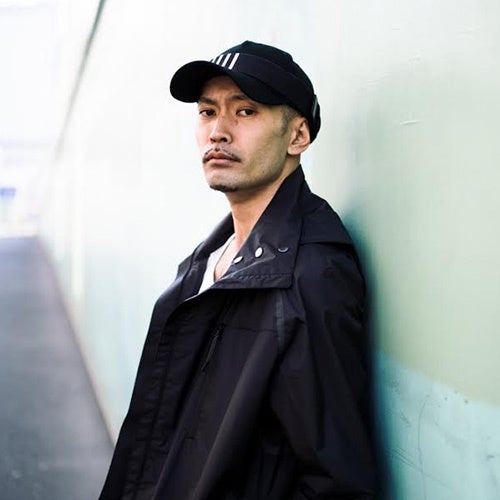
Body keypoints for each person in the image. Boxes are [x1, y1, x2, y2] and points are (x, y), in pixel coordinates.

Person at [99, 40, 376, 500]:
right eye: (207, 112)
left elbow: (337, 483)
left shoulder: (310, 275)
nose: (218, 132)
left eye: (245, 111)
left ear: (297, 136)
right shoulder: (211, 256)